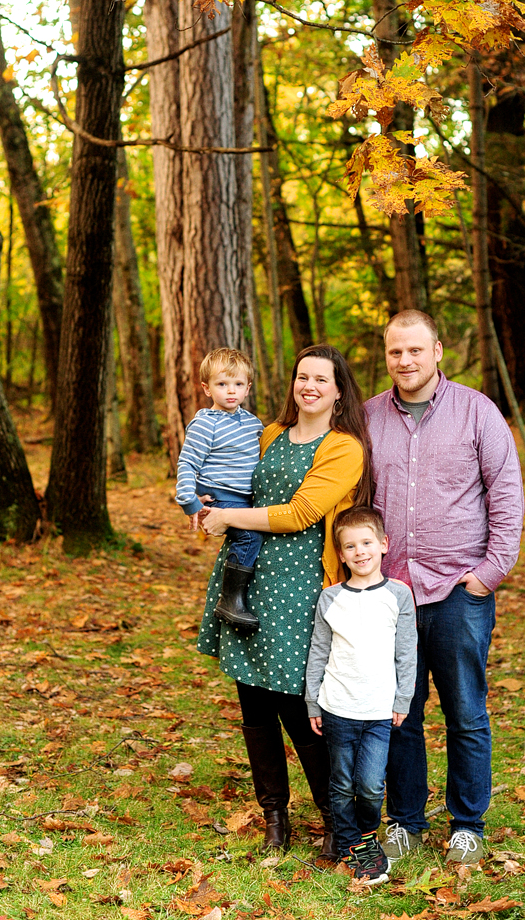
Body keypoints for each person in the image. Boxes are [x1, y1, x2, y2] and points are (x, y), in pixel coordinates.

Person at [197, 345, 372, 860]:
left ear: (339, 390)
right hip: (247, 577)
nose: (309, 386)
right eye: (301, 376)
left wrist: (231, 519)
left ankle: (336, 819)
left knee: (300, 707)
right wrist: (209, 504)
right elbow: (236, 485)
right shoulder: (267, 434)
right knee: (252, 700)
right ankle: (275, 816)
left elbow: (300, 513)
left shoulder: (344, 448)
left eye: (321, 379)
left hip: (300, 589)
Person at [365, 310, 524, 868]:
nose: (404, 361)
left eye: (414, 350)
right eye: (394, 352)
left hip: (460, 590)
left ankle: (467, 824)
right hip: (391, 593)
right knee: (399, 713)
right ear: (386, 356)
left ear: (437, 352)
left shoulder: (477, 412)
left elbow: (505, 492)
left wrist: (490, 572)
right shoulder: (368, 419)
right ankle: (405, 821)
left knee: (465, 711)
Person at [305, 505, 416, 886]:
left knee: (369, 785)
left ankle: (366, 834)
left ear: (384, 545)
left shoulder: (398, 595)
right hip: (337, 707)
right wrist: (311, 701)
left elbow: (407, 652)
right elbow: (319, 651)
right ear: (341, 554)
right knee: (340, 782)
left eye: (367, 542)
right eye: (350, 546)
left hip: (378, 710)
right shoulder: (330, 598)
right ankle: (351, 843)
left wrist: (403, 700)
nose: (360, 551)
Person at [176, 348, 264, 631]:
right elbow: (187, 463)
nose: (231, 391)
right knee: (249, 536)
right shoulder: (205, 423)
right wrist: (189, 501)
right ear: (206, 388)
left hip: (247, 499)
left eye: (238, 384)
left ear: (247, 388)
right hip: (222, 498)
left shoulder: (254, 424)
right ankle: (230, 599)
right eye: (222, 384)